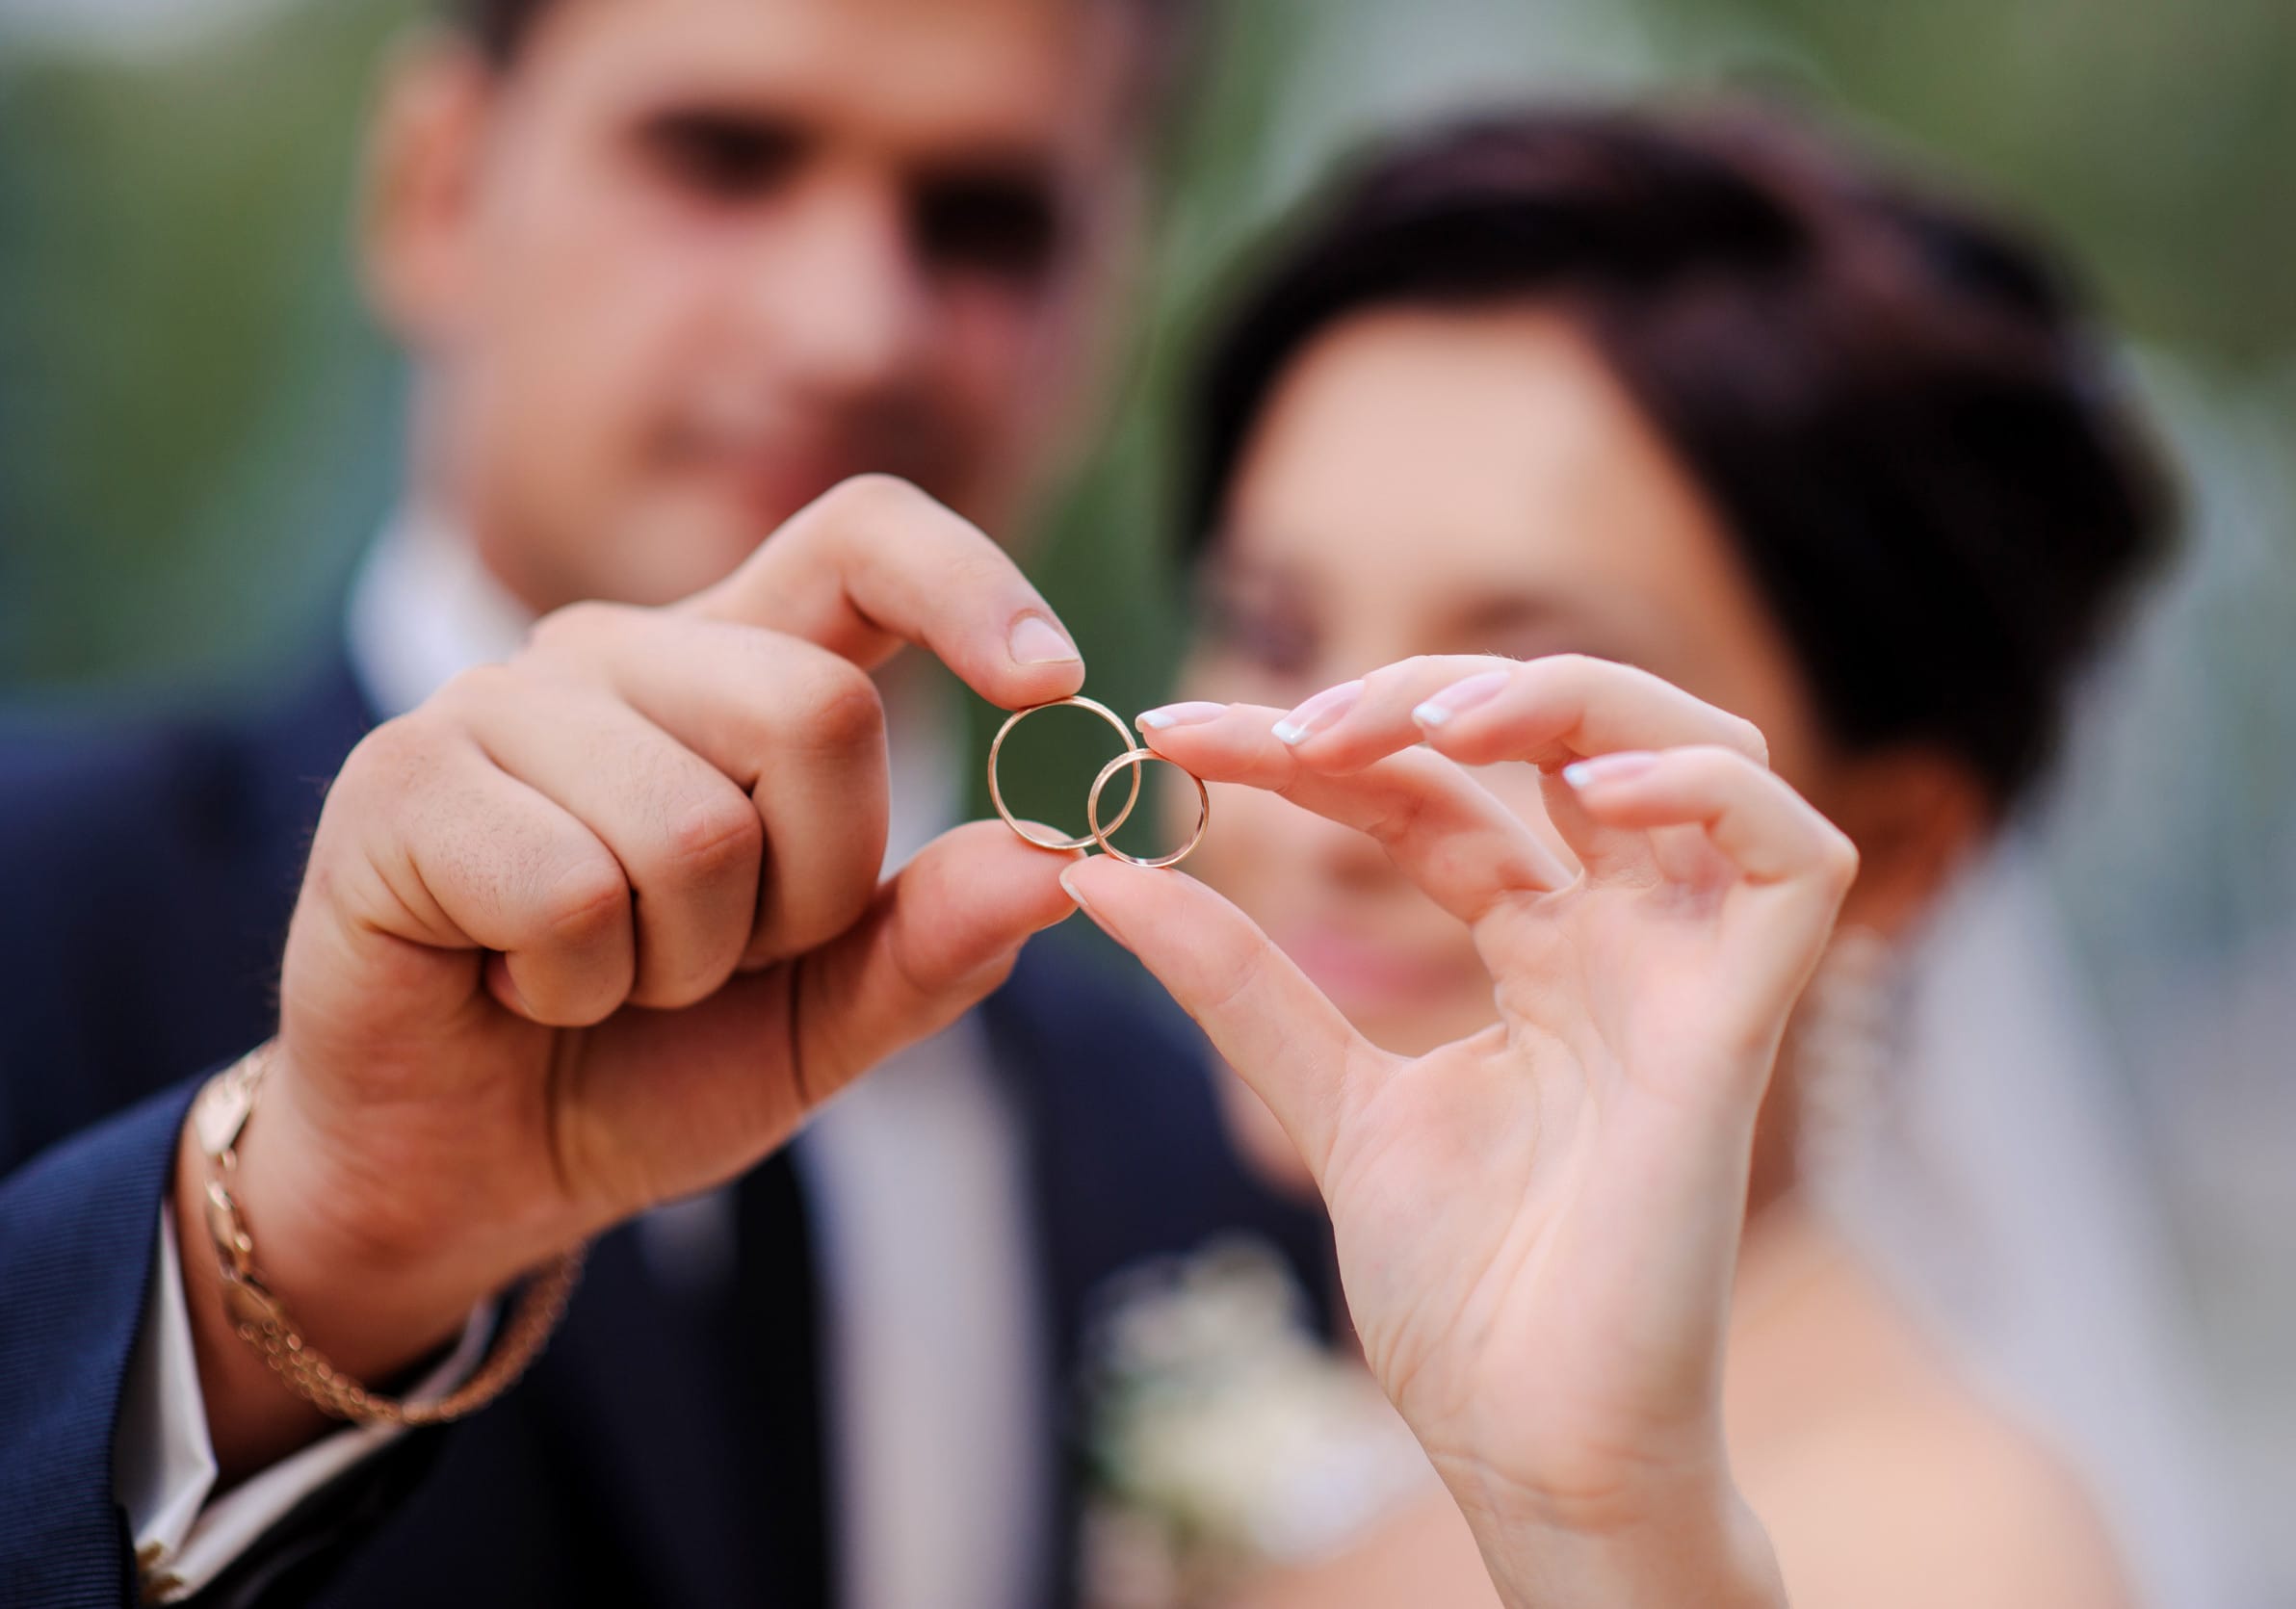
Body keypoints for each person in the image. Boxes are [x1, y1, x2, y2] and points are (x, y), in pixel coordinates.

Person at [1, 2, 1345, 1605]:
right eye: (724, 158)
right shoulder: (38, 909)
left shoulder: (1211, 1141)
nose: (854, 326)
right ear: (436, 186)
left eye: (990, 221)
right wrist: (306, 1252)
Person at [1095, 104, 2176, 1606]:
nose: (1306, 807)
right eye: (1275, 637)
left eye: (1521, 708)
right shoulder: (1233, 1328)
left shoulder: (1946, 1545)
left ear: (1900, 840)